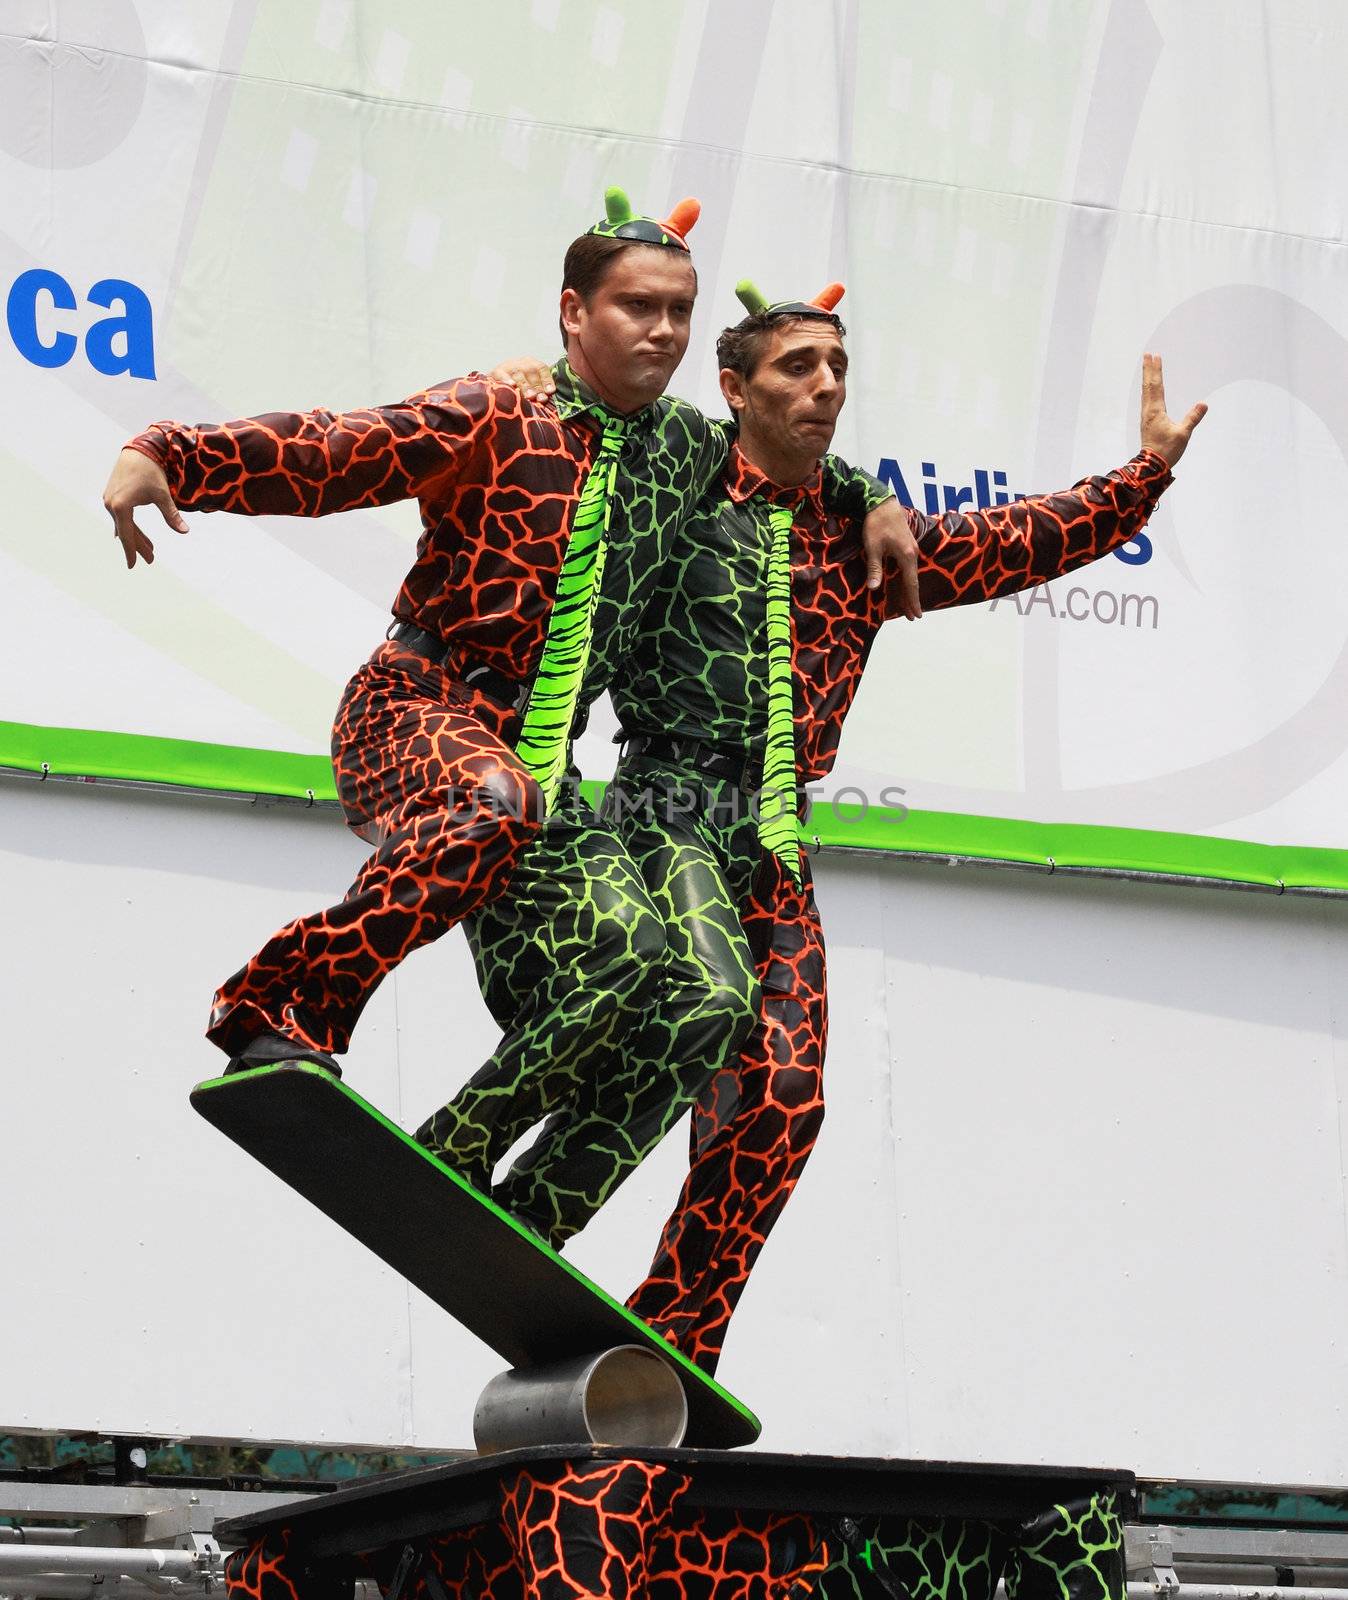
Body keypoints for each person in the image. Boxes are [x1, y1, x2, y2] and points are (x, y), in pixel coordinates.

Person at [100, 191, 904, 1173]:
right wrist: (167, 454)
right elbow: (341, 450)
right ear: (574, 313)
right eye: (636, 307)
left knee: (655, 972)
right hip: (418, 703)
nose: (662, 330)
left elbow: (790, 457)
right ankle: (277, 1004)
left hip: (544, 769)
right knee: (492, 798)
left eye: (679, 312)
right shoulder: (500, 408)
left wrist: (875, 499)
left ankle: (467, 1163)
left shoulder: (690, 449)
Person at [480, 283, 1205, 1370]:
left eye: (837, 369)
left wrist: (1143, 474)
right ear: (734, 387)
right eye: (797, 367)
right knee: (682, 1011)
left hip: (773, 846)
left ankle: (679, 1334)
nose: (825, 387)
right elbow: (571, 455)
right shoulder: (673, 491)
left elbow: (1018, 542)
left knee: (780, 1100)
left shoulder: (864, 540)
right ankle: (527, 1204)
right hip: (662, 811)